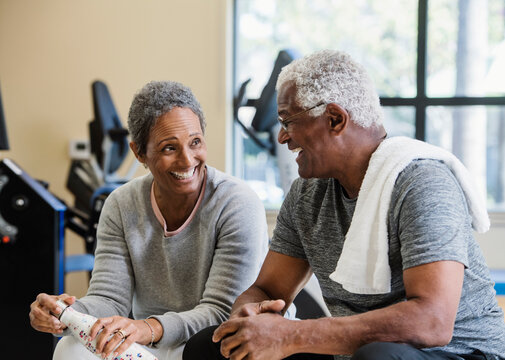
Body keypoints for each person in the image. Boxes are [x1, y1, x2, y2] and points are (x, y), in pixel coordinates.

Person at [182, 50, 505, 360]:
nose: (283, 137)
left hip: (458, 353)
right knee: (213, 346)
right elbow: (267, 288)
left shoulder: (420, 181)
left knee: (377, 355)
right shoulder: (306, 194)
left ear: (335, 119)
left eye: (288, 121)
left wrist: (291, 335)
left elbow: (431, 323)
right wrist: (250, 314)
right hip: (356, 353)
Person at [29, 80, 269, 360]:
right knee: (70, 349)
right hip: (153, 343)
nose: (187, 159)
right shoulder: (121, 204)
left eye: (195, 142)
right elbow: (109, 299)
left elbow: (221, 312)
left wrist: (148, 328)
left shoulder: (237, 202)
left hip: (215, 345)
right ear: (139, 152)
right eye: (169, 148)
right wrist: (66, 314)